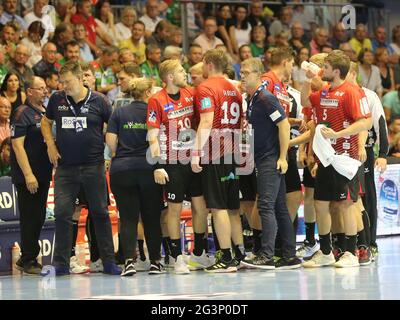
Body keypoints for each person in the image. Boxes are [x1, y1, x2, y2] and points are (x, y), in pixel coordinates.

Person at [40, 60, 121, 276]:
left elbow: (113, 127)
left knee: (100, 214)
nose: (64, 86)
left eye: (67, 82)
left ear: (80, 78)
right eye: (61, 82)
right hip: (65, 169)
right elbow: (46, 123)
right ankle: (61, 264)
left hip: (93, 167)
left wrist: (109, 154)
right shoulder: (57, 99)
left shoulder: (100, 101)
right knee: (62, 215)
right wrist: (50, 144)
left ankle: (108, 262)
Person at [300, 50, 371, 268]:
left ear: (336, 71)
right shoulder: (324, 91)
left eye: (326, 67)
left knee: (346, 205)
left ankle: (350, 253)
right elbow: (305, 101)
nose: (323, 70)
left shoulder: (352, 92)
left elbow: (365, 123)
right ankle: (326, 252)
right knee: (321, 204)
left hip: (345, 158)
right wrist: (308, 80)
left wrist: (339, 134)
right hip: (325, 159)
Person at [146, 59, 212, 274]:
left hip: (192, 158)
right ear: (170, 77)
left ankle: (199, 253)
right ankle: (177, 257)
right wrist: (157, 164)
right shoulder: (156, 100)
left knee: (200, 207)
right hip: (171, 161)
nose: (186, 74)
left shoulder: (191, 94)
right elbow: (152, 135)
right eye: (182, 71)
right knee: (174, 210)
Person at [240, 58, 301, 270]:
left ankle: (266, 254)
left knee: (265, 205)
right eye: (241, 72)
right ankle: (289, 255)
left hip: (270, 159)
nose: (242, 76)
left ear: (258, 75)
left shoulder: (266, 98)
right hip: (263, 158)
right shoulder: (253, 98)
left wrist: (283, 157)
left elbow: (283, 125)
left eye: (246, 73)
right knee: (279, 207)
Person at [192, 49, 245, 272]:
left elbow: (206, 121)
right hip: (232, 152)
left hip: (214, 153)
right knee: (232, 207)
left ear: (209, 63)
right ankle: (240, 253)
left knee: (217, 207)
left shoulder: (205, 88)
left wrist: (195, 152)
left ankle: (226, 258)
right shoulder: (234, 89)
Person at [106, 77, 165, 276]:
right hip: (148, 169)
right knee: (151, 218)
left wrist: (121, 153)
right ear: (148, 93)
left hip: (122, 170)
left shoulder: (119, 112)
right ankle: (156, 262)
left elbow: (111, 142)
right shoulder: (153, 112)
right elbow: (156, 141)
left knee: (128, 218)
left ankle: (129, 262)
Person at [10, 76, 52, 275]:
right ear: (29, 91)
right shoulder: (21, 113)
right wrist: (28, 175)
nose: (45, 91)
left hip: (44, 172)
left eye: (45, 88)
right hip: (28, 175)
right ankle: (28, 259)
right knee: (30, 216)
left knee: (40, 215)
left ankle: (26, 257)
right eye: (40, 88)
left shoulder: (45, 112)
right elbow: (17, 146)